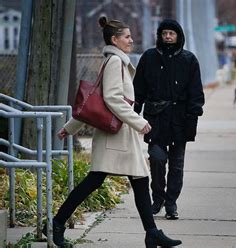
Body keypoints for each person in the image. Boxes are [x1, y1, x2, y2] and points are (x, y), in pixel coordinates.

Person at [44, 17, 181, 247]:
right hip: (115, 136)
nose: (131, 40)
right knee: (95, 181)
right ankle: (57, 223)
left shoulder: (115, 61)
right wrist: (139, 121)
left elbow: (94, 100)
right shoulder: (115, 62)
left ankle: (152, 233)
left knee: (140, 180)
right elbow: (111, 99)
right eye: (126, 37)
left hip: (122, 135)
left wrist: (70, 128)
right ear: (114, 39)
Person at [133, 19, 205, 220]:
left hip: (180, 119)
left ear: (178, 36)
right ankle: (158, 198)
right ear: (160, 35)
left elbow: (196, 92)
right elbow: (138, 88)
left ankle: (171, 202)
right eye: (164, 33)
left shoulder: (189, 60)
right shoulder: (149, 57)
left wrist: (193, 116)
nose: (167, 37)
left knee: (177, 164)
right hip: (155, 118)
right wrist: (134, 112)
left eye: (171, 34)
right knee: (157, 159)